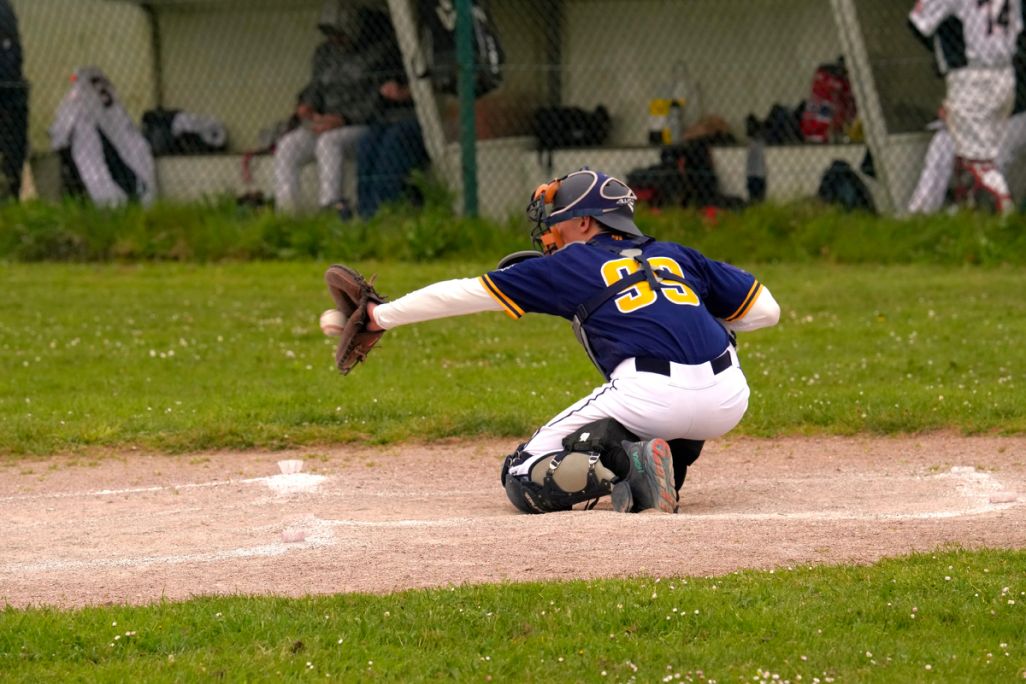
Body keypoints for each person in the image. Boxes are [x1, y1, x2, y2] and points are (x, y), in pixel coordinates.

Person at [363, 169, 780, 514]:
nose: (551, 231)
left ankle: (627, 466)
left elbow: (461, 293)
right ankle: (659, 468)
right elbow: (767, 311)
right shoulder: (679, 254)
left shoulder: (573, 262)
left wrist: (379, 316)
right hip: (728, 399)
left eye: (558, 219)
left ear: (585, 222)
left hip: (650, 394)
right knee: (673, 395)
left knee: (520, 474)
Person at [908, 0, 1024, 214]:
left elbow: (918, 23)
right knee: (949, 143)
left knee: (979, 159)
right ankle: (925, 210)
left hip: (974, 76)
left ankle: (1002, 204)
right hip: (1005, 78)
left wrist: (951, 66)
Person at [274, 0, 385, 215]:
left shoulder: (377, 52)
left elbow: (376, 102)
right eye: (329, 34)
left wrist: (344, 119)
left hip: (362, 125)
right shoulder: (325, 53)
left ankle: (332, 205)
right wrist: (307, 104)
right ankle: (286, 211)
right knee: (288, 145)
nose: (335, 39)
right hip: (325, 123)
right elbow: (315, 87)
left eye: (340, 34)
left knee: (329, 142)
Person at [355, 9, 428, 219]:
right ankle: (366, 211)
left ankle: (385, 208)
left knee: (395, 140)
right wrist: (386, 89)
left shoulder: (433, 44)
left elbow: (439, 88)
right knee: (368, 142)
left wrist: (409, 93)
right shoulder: (391, 52)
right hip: (392, 118)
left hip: (424, 119)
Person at [48, 67, 156, 207]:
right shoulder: (107, 95)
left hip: (97, 138)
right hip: (115, 138)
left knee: (96, 167)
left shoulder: (80, 97)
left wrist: (59, 139)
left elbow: (62, 131)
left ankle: (112, 202)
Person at [0, 0, 27, 201]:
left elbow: (13, 53)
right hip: (10, 88)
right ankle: (11, 189)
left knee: (13, 146)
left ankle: (11, 190)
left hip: (9, 89)